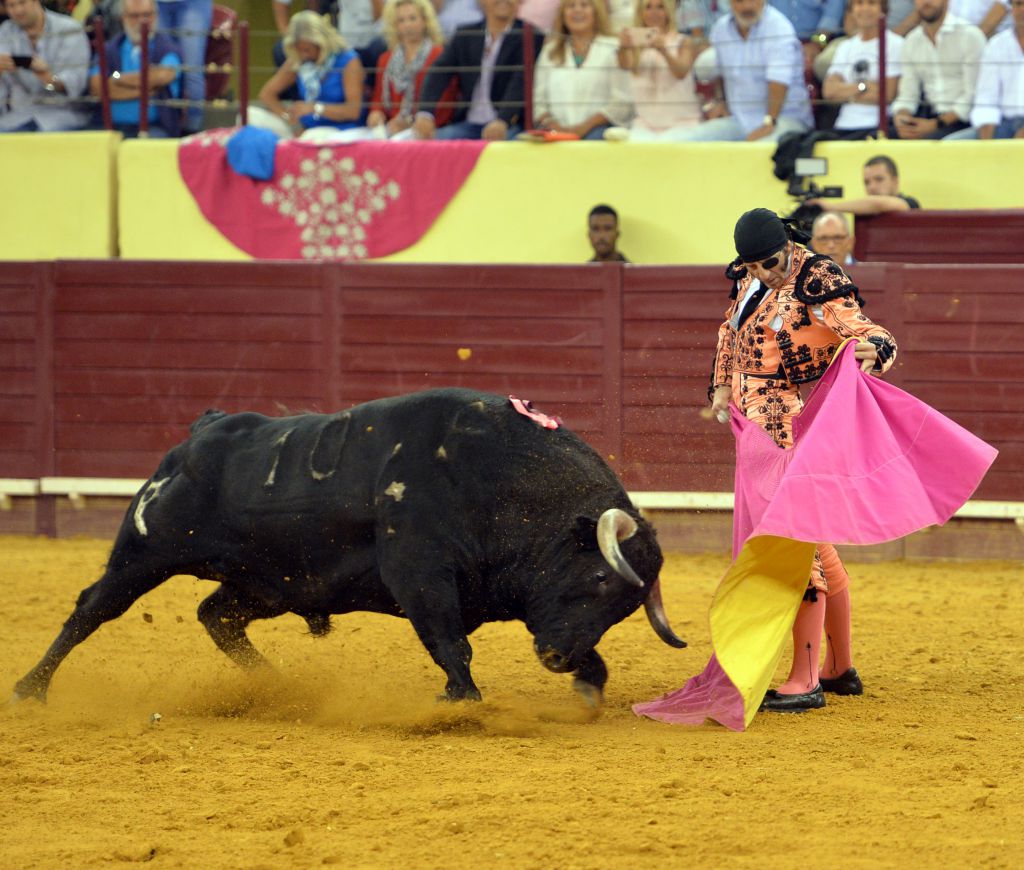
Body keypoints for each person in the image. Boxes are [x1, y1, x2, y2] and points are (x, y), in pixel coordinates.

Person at [709, 208, 897, 712]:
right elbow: (730, 333)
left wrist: (876, 346)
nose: (762, 274)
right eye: (751, 267)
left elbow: (858, 324)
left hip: (785, 424)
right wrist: (721, 387)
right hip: (752, 425)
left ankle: (805, 678)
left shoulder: (816, 275)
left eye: (769, 263)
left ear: (789, 246)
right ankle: (839, 668)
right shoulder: (750, 279)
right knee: (813, 540)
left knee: (792, 541)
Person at [676, 0, 814, 142]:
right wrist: (720, 101)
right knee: (686, 141)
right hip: (739, 120)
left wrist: (769, 121)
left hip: (783, 119)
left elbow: (779, 81)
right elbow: (720, 72)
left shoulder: (779, 27)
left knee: (757, 153)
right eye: (740, 1)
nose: (747, 6)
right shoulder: (721, 29)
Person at [414, 0, 539, 140]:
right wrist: (425, 113)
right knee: (429, 147)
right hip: (467, 123)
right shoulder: (465, 34)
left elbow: (520, 83)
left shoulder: (532, 36)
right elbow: (439, 73)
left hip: (510, 127)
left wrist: (503, 120)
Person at [533, 0, 632, 140]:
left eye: (584, 5)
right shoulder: (550, 51)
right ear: (562, 14)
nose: (577, 10)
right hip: (555, 133)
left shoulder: (614, 48)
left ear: (596, 12)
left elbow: (622, 102)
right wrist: (555, 127)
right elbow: (539, 102)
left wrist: (583, 129)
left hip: (600, 132)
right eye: (571, 6)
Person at [889, 0, 985, 140]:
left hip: (965, 122)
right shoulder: (911, 41)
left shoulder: (970, 36)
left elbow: (972, 95)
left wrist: (937, 124)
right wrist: (902, 116)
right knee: (879, 139)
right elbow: (908, 94)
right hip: (927, 118)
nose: (926, 2)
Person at [258, 10, 365, 134]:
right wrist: (289, 119)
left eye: (307, 50)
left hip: (341, 131)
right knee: (251, 117)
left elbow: (354, 111)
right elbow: (267, 94)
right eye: (299, 50)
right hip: (307, 130)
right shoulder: (298, 60)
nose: (304, 55)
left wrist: (315, 108)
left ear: (321, 43)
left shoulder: (348, 60)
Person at [89, 0, 183, 137]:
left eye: (147, 15)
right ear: (123, 17)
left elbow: (162, 76)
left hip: (154, 127)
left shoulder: (167, 48)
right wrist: (147, 89)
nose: (142, 21)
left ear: (156, 16)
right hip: (107, 126)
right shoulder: (110, 49)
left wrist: (115, 79)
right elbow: (97, 87)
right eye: (134, 16)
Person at [0, 0, 90, 132]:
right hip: (19, 115)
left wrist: (47, 78)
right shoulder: (5, 31)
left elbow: (76, 85)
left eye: (22, 3)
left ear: (36, 1)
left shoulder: (69, 29)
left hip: (63, 114)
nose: (18, 10)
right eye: (11, 6)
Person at [617, 0, 701, 140]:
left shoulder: (683, 41)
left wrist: (664, 51)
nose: (654, 12)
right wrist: (623, 47)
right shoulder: (635, 44)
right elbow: (625, 65)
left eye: (660, 7)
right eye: (648, 7)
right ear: (641, 12)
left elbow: (681, 72)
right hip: (645, 124)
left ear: (668, 12)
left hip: (683, 123)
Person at [367, 0, 452, 137]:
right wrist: (376, 113)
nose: (408, 25)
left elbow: (445, 103)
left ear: (425, 21)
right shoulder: (385, 59)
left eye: (413, 18)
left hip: (427, 128)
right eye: (401, 20)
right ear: (395, 25)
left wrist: (410, 122)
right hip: (391, 128)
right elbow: (378, 100)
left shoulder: (439, 55)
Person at [822, 0, 903, 136]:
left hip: (878, 126)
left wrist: (847, 93)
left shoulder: (896, 44)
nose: (865, 8)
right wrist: (864, 87)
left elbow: (887, 94)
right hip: (843, 125)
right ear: (852, 10)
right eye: (859, 3)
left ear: (883, 10)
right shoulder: (845, 47)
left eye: (871, 3)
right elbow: (829, 91)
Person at [951, 0, 1024, 139]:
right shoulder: (997, 44)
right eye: (1019, 4)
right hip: (1003, 124)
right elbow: (986, 98)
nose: (1023, 10)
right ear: (1011, 8)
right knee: (949, 146)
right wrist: (987, 132)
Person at [155, 0, 210, 133]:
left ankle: (191, 133)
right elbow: (115, 74)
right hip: (155, 4)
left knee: (191, 72)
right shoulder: (115, 48)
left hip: (193, 4)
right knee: (156, 69)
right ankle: (162, 127)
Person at [808, 154, 921, 214]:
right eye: (867, 182)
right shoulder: (864, 211)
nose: (871, 187)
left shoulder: (910, 203)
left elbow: (878, 204)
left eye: (879, 179)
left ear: (895, 181)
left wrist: (831, 207)